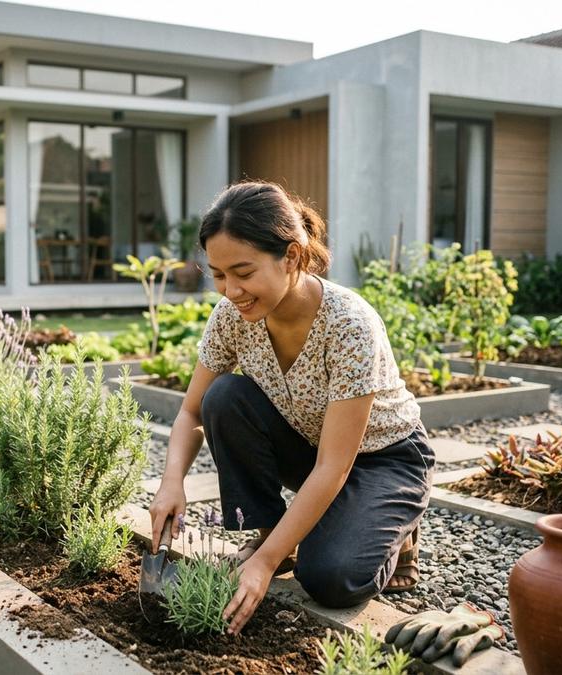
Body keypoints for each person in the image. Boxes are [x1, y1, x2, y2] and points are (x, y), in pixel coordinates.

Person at [148, 181, 435, 635]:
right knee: (222, 396)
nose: (230, 290)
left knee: (331, 577)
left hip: (383, 460)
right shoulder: (232, 318)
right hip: (312, 447)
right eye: (219, 274)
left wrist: (261, 567)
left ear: (294, 257)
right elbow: (191, 412)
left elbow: (335, 467)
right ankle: (271, 536)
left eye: (243, 271)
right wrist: (170, 483)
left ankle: (397, 529)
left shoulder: (349, 324)